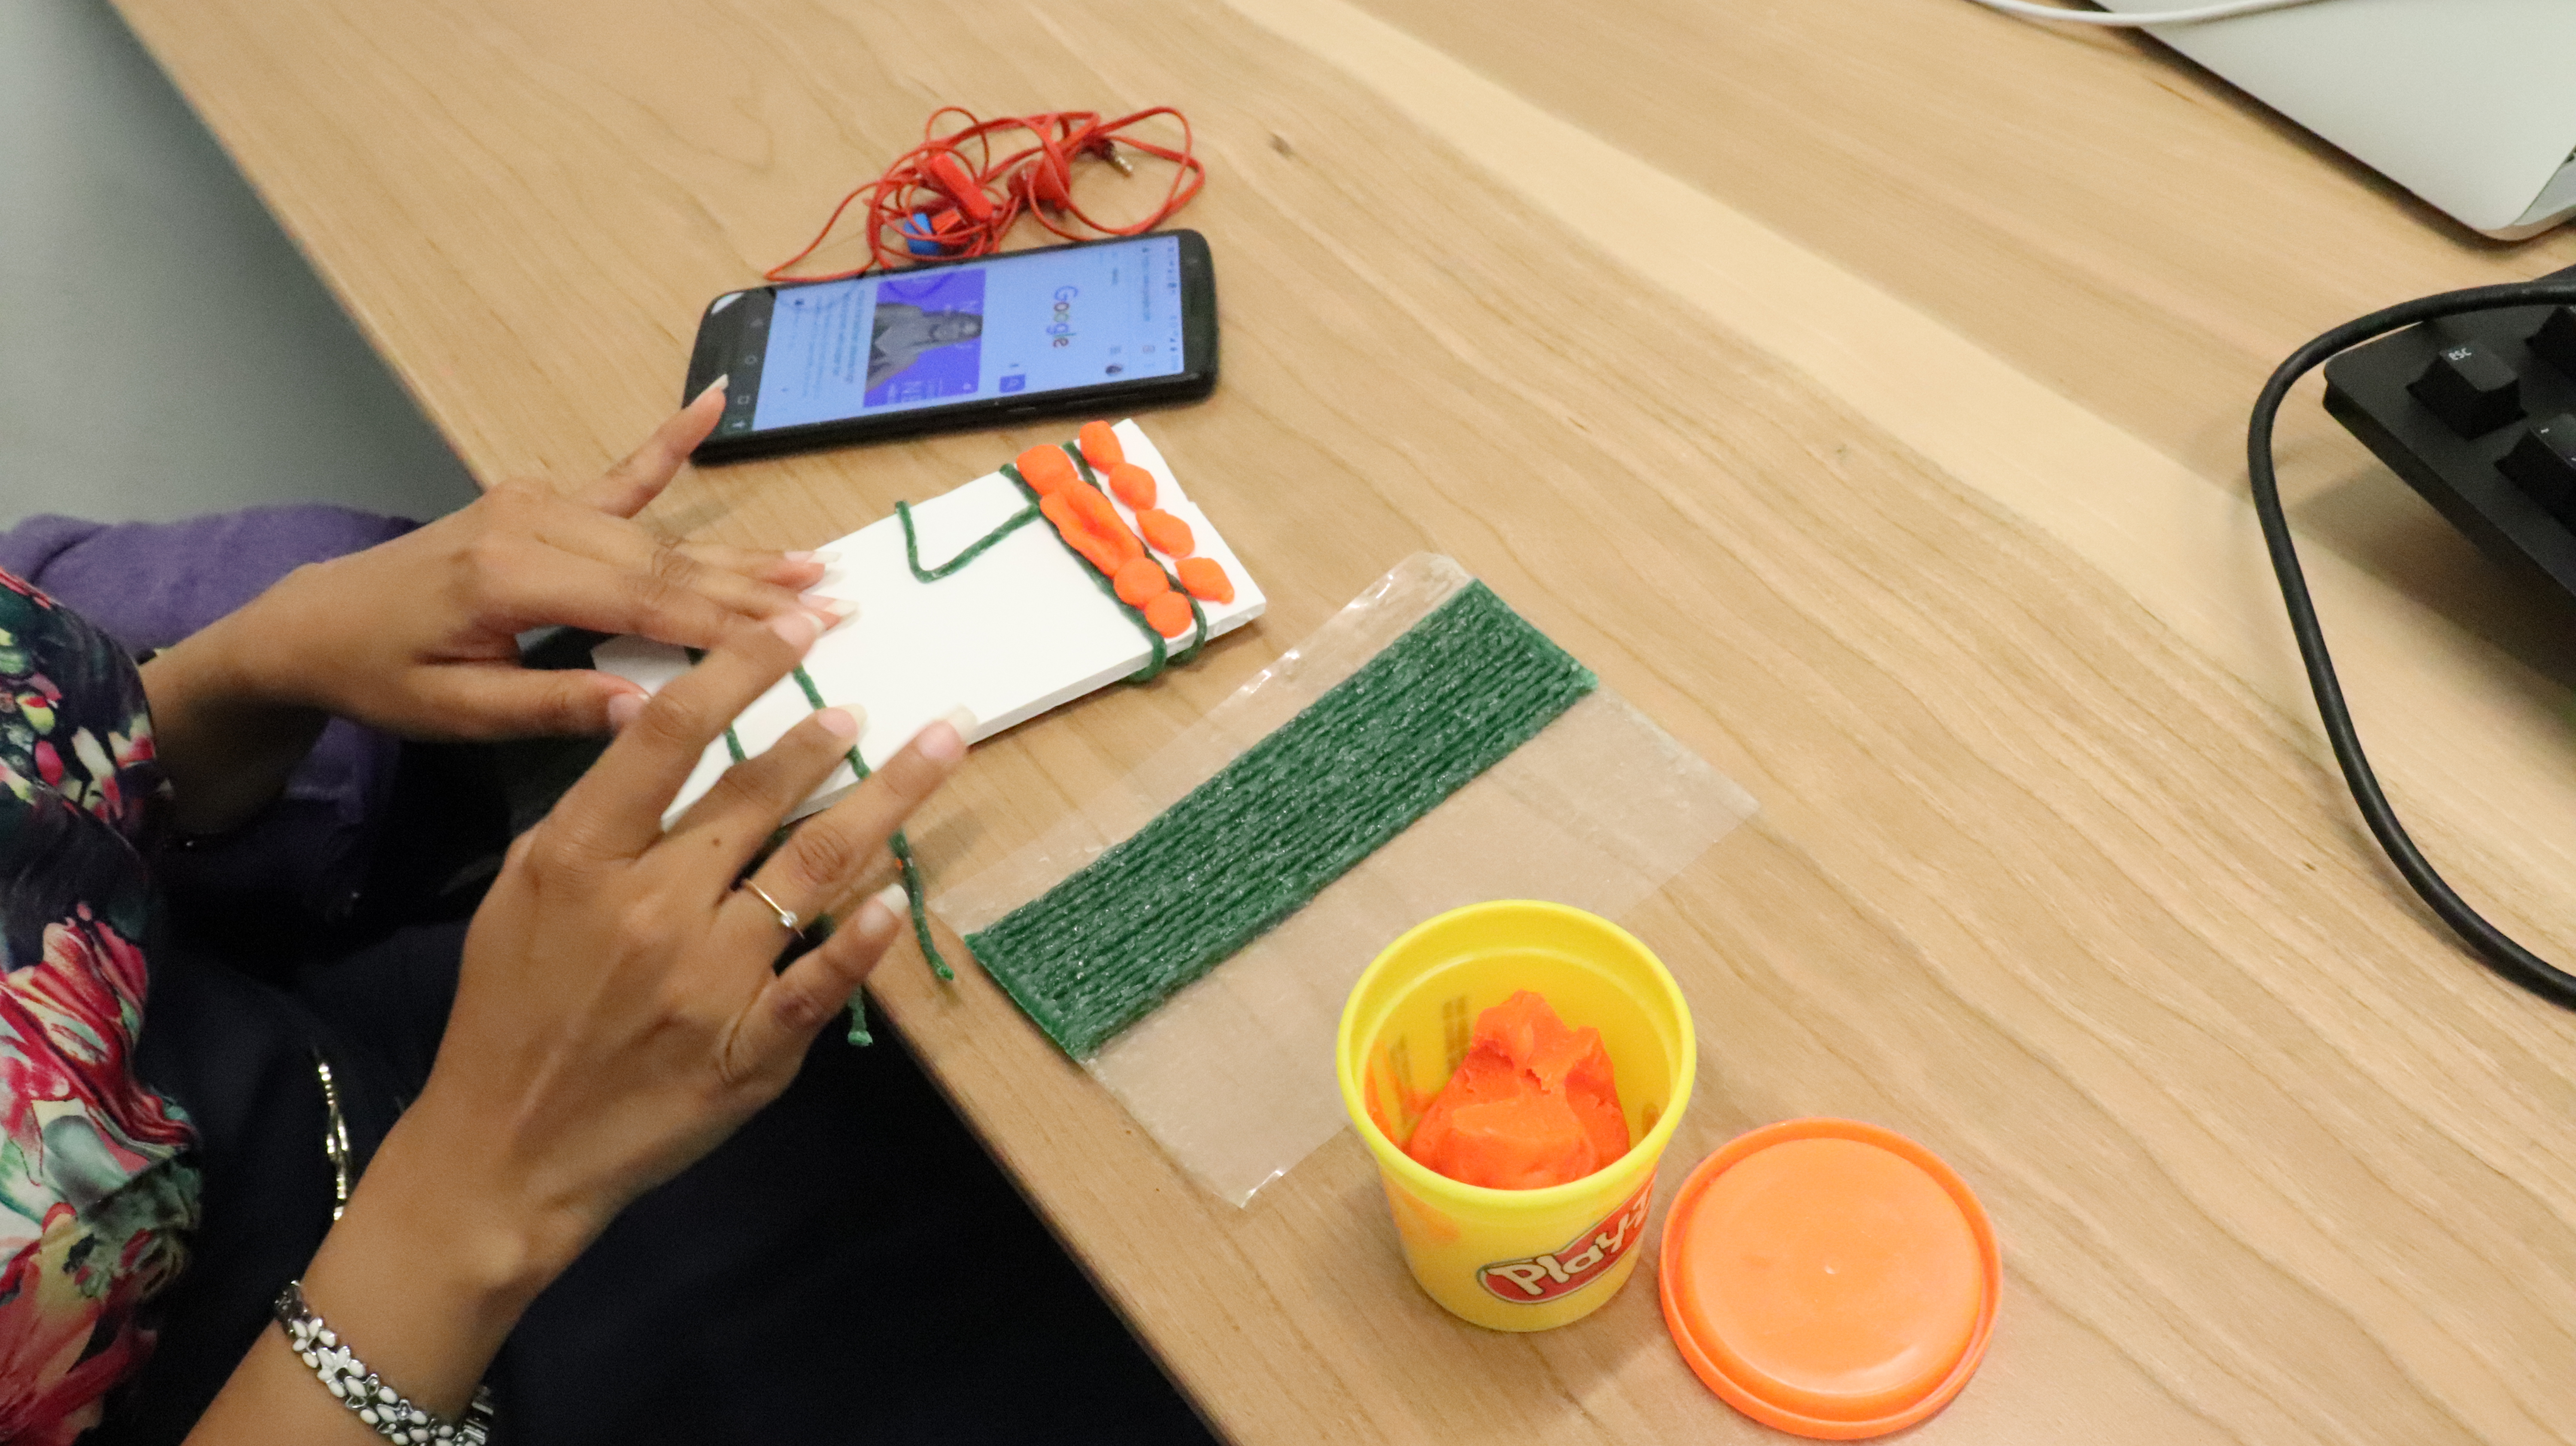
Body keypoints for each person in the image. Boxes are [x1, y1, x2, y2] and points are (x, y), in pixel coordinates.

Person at [0, 383, 1213, 1443]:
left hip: (325, 1062)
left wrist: (244, 673)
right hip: (369, 1353)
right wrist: (482, 1190)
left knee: (984, 1087)